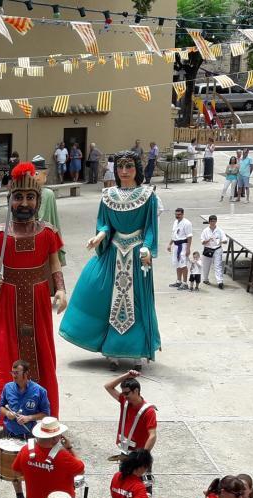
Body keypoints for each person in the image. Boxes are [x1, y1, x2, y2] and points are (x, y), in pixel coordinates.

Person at [0, 162, 66, 427]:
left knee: (43, 354)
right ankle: (7, 419)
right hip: (9, 300)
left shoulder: (48, 232)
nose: (24, 202)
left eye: (30, 197)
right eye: (18, 197)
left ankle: (43, 415)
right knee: (6, 352)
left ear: (38, 200)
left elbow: (54, 264)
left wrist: (61, 289)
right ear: (10, 200)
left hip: (38, 300)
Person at [60, 152, 162, 368]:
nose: (124, 172)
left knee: (136, 302)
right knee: (101, 293)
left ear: (137, 169)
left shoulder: (148, 195)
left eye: (129, 167)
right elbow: (105, 224)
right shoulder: (108, 195)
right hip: (114, 251)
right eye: (120, 167)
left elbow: (150, 227)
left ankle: (136, 350)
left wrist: (146, 248)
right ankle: (111, 348)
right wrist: (99, 236)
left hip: (136, 253)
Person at [12, 418, 84, 498]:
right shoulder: (63, 456)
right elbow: (81, 469)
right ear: (55, 438)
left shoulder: (25, 450)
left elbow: (16, 472)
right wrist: (69, 448)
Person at [0, 359, 51, 498]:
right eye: (12, 372)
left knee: (33, 468)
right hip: (11, 434)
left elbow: (45, 414)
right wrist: (7, 413)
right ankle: (20, 496)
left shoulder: (39, 391)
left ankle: (35, 497)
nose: (13, 376)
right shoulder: (7, 388)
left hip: (30, 437)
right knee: (13, 468)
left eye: (17, 373)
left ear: (26, 374)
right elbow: (1, 406)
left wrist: (29, 418)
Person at [167, 207, 193, 291]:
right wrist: (169, 244)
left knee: (183, 264)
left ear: (182, 214)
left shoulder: (187, 223)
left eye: (179, 214)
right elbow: (174, 234)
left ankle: (185, 283)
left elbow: (189, 237)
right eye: (176, 214)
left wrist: (188, 249)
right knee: (177, 263)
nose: (177, 216)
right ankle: (178, 281)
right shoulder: (175, 222)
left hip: (183, 245)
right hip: (176, 245)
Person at [198, 215, 226, 290]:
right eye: (211, 221)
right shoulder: (205, 231)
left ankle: (220, 282)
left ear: (216, 221)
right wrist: (208, 240)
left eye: (214, 221)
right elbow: (202, 242)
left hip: (217, 249)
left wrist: (221, 241)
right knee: (206, 266)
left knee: (218, 265)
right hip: (208, 249)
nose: (213, 223)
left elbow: (225, 240)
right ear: (209, 222)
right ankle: (205, 279)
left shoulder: (220, 230)